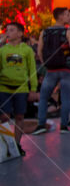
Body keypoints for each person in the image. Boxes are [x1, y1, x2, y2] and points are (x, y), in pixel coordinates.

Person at [34, 7, 70, 134]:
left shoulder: (45, 32)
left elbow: (39, 51)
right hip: (67, 69)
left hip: (51, 69)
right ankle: (64, 126)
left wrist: (45, 63)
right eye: (66, 15)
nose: (68, 17)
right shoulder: (68, 31)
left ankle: (41, 124)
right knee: (65, 98)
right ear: (60, 17)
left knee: (43, 97)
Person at [0, 22, 37, 153]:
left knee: (19, 116)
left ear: (20, 33)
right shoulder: (2, 50)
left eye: (11, 30)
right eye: (7, 30)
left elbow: (32, 69)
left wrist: (33, 88)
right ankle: (5, 144)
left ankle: (16, 144)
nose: (8, 33)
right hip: (4, 87)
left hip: (21, 88)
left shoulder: (27, 50)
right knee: (4, 116)